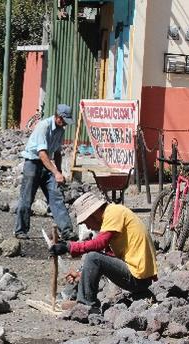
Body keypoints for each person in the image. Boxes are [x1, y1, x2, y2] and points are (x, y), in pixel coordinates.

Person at [49, 192, 158, 309]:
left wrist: (69, 247)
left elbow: (99, 244)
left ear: (94, 214)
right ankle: (81, 299)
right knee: (94, 258)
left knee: (92, 257)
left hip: (138, 277)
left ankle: (85, 305)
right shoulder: (113, 214)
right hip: (139, 277)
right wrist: (83, 275)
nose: (88, 227)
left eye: (86, 222)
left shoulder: (113, 212)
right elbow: (109, 257)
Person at [14, 104, 76, 241]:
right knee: (27, 197)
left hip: (47, 165)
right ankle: (20, 230)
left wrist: (59, 171)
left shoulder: (60, 130)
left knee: (56, 195)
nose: (65, 124)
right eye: (64, 120)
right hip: (33, 163)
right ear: (58, 117)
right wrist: (55, 172)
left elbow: (58, 153)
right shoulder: (43, 126)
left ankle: (66, 230)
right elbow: (42, 153)